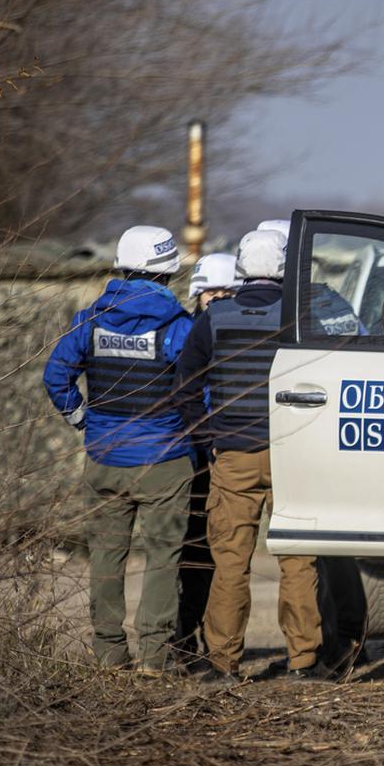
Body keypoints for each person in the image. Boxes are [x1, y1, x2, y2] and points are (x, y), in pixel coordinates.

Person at [174, 229, 332, 682]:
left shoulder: (215, 318)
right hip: (293, 455)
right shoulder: (300, 314)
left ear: (241, 267)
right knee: (298, 561)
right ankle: (305, 661)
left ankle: (223, 663)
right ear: (285, 267)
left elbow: (184, 387)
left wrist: (208, 438)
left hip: (233, 457)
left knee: (229, 563)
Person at [42, 225, 195, 675]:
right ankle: (155, 656)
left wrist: (83, 420)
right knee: (164, 556)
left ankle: (109, 655)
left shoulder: (90, 320)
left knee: (107, 557)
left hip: (105, 457)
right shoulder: (178, 326)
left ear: (120, 268)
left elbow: (56, 378)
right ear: (167, 274)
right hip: (164, 460)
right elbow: (198, 393)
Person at [254, 219, 369, 672]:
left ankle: (331, 645)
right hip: (324, 437)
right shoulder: (326, 300)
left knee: (305, 553)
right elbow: (360, 354)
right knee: (330, 547)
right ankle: (348, 641)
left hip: (278, 440)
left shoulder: (258, 309)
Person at [173, 252, 241, 668]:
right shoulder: (184, 331)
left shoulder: (235, 331)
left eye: (226, 291)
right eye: (209, 291)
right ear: (197, 295)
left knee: (221, 556)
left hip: (225, 452)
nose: (216, 298)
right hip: (196, 457)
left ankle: (210, 641)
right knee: (194, 555)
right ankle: (185, 640)